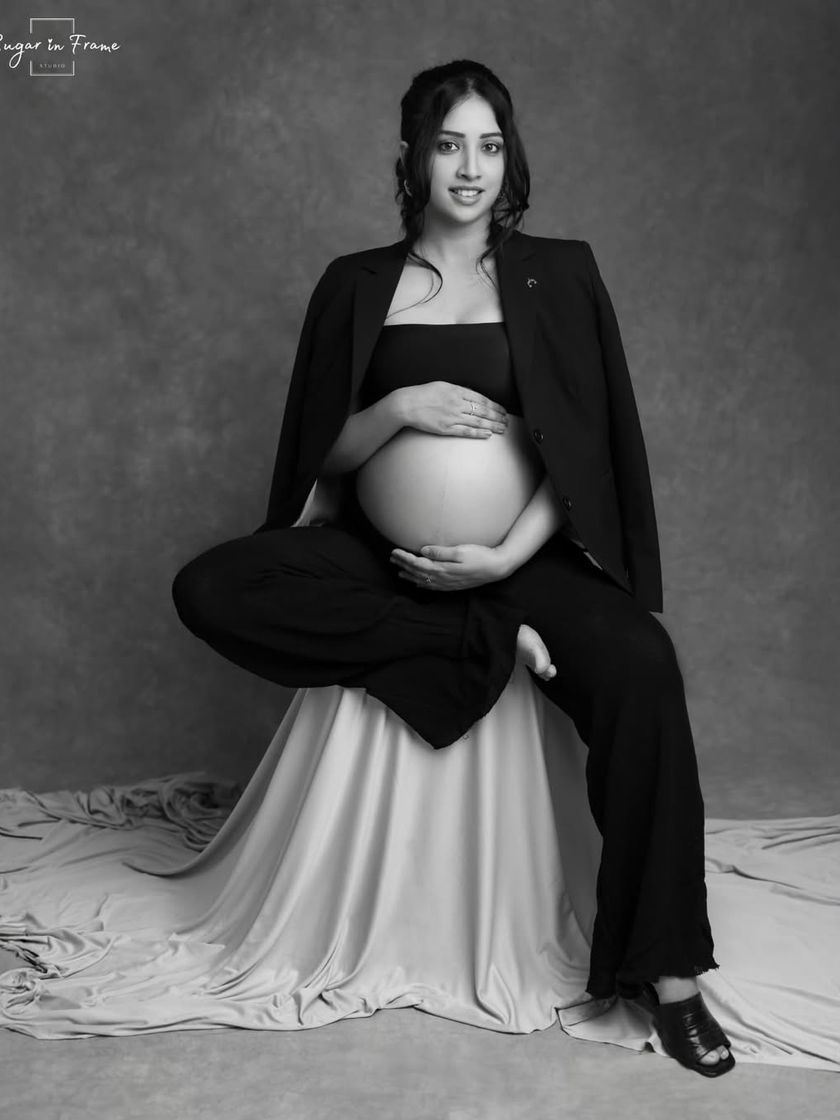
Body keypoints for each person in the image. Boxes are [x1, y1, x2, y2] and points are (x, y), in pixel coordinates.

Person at [171, 59, 734, 1077]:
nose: (471, 168)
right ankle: (479, 637)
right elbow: (321, 458)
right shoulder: (355, 284)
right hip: (378, 555)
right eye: (448, 145)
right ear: (412, 157)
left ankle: (670, 974)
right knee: (212, 588)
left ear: (509, 157)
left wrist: (503, 558)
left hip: (520, 555)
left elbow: (588, 446)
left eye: (489, 145)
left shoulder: (561, 272)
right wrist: (398, 408)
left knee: (645, 667)